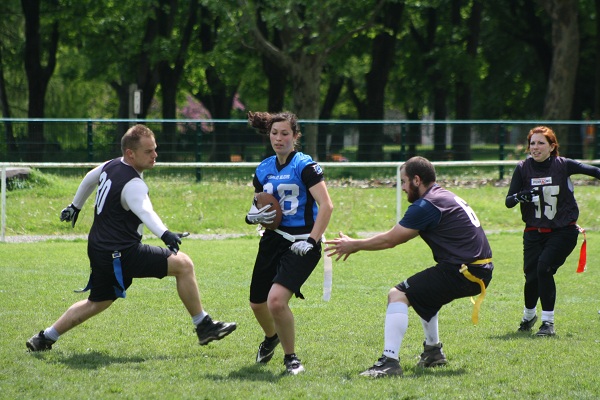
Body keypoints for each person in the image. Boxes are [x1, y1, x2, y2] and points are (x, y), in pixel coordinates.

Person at [26, 124, 236, 352]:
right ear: (130, 153)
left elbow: (89, 178)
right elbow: (145, 211)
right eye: (149, 151)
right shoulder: (134, 184)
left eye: (155, 149)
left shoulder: (112, 165)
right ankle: (203, 326)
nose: (155, 155)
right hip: (121, 252)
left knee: (98, 302)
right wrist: (165, 233)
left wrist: (75, 206)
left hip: (99, 248)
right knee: (183, 265)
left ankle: (45, 337)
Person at [325, 156, 493, 378]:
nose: (402, 187)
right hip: (477, 269)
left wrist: (354, 245)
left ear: (416, 179)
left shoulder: (427, 204)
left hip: (463, 270)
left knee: (398, 294)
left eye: (404, 181)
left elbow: (391, 239)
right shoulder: (443, 195)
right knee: (426, 296)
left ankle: (389, 362)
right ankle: (433, 352)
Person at [245, 111, 333, 375]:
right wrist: (251, 215)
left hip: (301, 242)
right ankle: (271, 337)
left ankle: (291, 357)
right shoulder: (263, 169)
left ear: (295, 136)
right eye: (274, 133)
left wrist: (311, 240)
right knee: (257, 303)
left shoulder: (304, 166)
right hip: (273, 239)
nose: (279, 138)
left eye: (285, 133)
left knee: (276, 302)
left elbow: (327, 206)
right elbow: (260, 203)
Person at [506, 125, 600, 337]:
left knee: (544, 268)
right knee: (531, 277)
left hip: (562, 230)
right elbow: (508, 201)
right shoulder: (522, 168)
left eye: (541, 143)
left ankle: (548, 323)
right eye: (532, 143)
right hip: (533, 231)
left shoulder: (563, 165)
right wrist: (521, 196)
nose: (536, 147)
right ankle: (529, 315)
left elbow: (594, 171)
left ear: (552, 146)